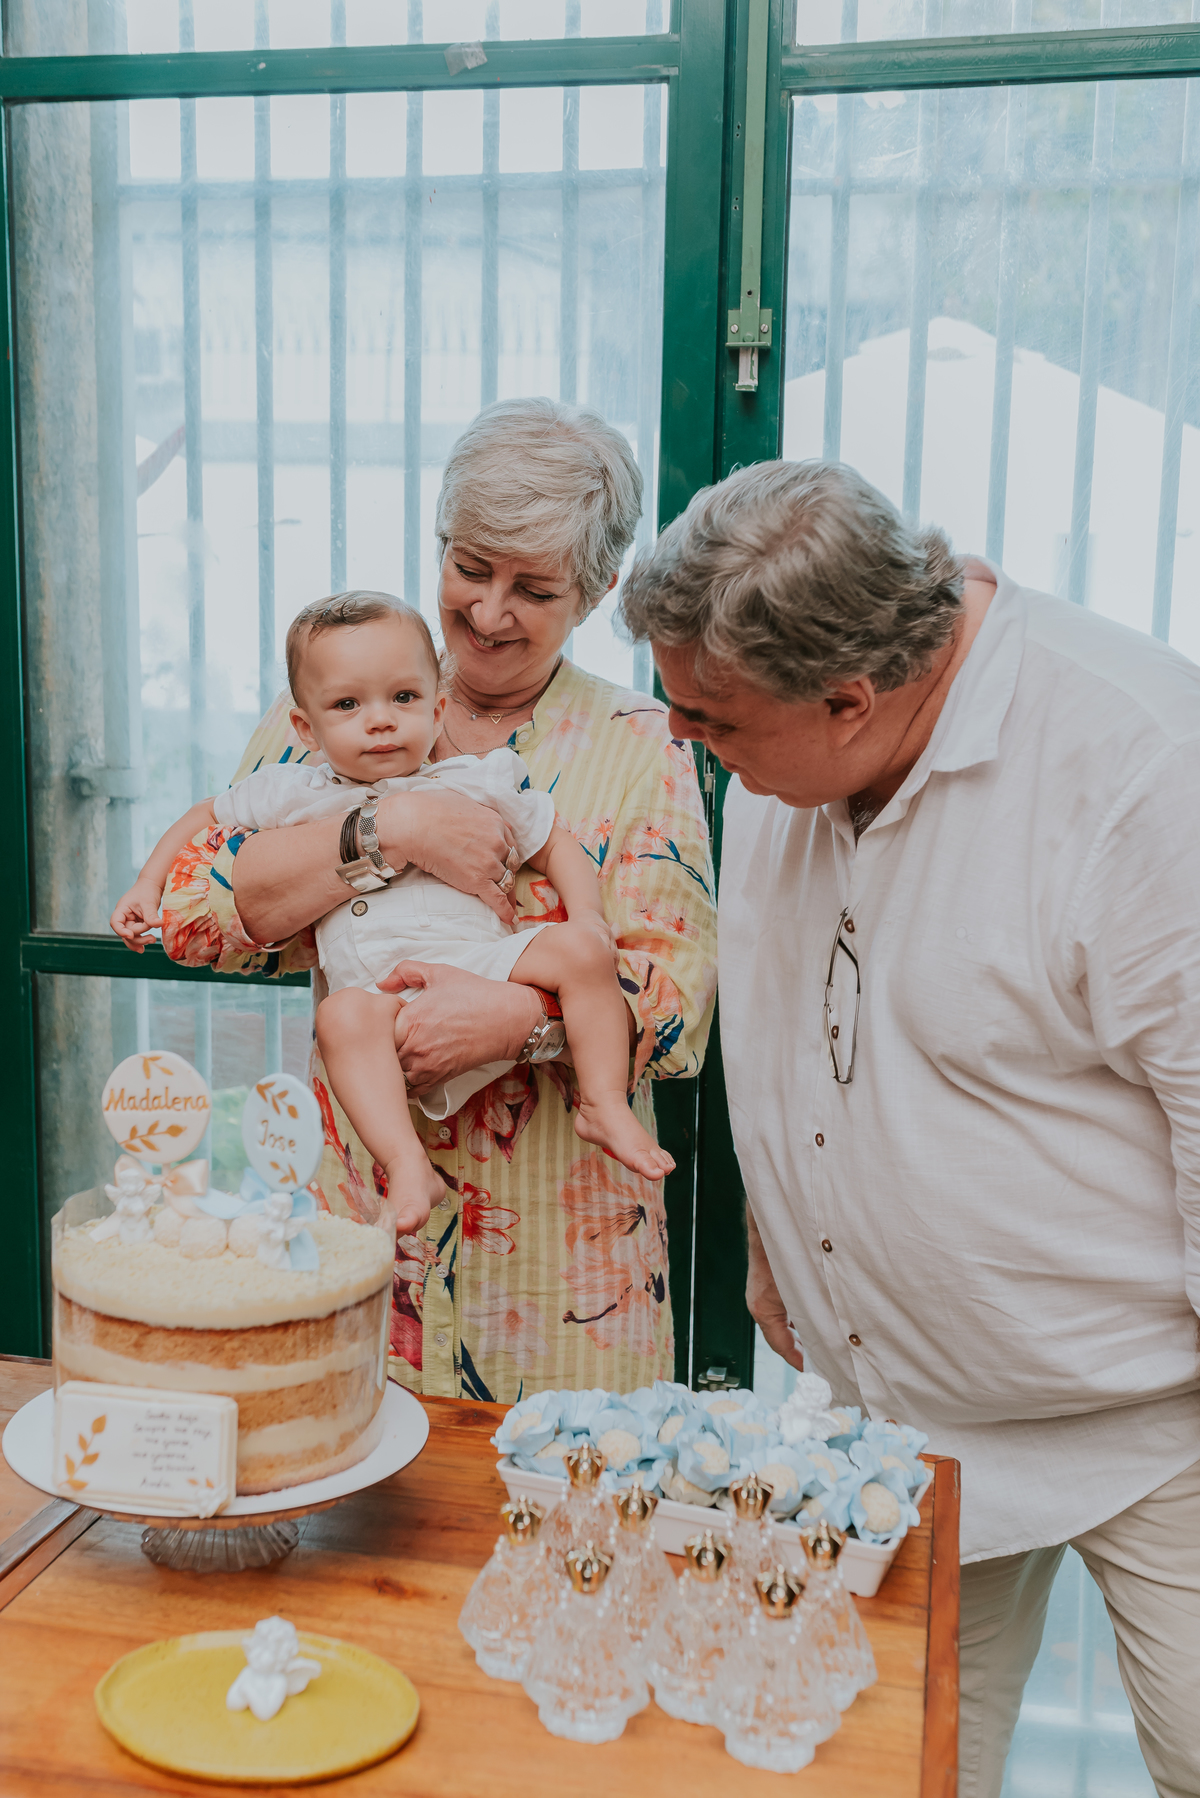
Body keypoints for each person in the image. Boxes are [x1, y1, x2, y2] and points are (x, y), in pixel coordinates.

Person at [620, 458, 1200, 1798]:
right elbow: (775, 1020)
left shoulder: (1144, 764)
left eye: (708, 720)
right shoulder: (797, 758)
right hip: (905, 1417)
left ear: (850, 697)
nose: (682, 743)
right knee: (906, 1765)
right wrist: (780, 1251)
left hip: (1152, 1425)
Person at [158, 397, 717, 1404]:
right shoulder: (332, 708)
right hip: (365, 1236)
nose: (490, 612)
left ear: (596, 591)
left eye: (534, 587)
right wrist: (385, 834)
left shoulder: (643, 743)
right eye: (471, 568)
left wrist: (521, 1016)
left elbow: (675, 1006)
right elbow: (200, 920)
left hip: (566, 1274)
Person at [111, 592, 673, 1223]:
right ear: (305, 728)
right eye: (348, 705)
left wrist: (589, 917)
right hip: (384, 1001)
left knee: (582, 951)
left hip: (490, 965)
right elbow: (202, 820)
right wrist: (145, 885)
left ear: (435, 710)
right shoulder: (297, 792)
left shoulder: (475, 777)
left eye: (403, 699)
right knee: (341, 1018)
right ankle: (408, 1167)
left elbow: (552, 842)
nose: (379, 720)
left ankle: (602, 1102)